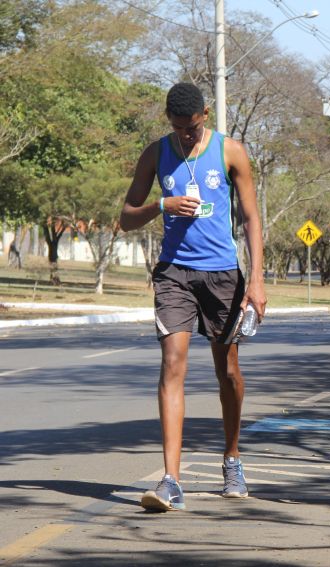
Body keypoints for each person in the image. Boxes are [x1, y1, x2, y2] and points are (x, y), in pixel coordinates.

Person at [119, 83, 266, 511]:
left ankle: (232, 459)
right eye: (179, 127)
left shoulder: (231, 151)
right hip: (174, 273)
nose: (186, 134)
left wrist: (257, 280)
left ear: (205, 114)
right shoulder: (155, 153)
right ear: (169, 120)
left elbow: (251, 217)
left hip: (222, 275)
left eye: (193, 126)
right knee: (172, 365)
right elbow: (126, 218)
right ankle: (171, 481)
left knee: (228, 372)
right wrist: (161, 205)